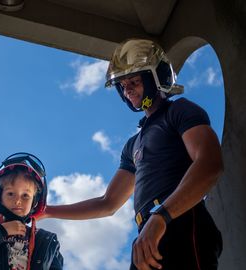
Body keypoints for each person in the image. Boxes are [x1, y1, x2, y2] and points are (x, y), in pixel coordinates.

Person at [40, 39, 223, 270]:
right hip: (147, 236)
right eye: (122, 85)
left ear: (158, 78)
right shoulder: (132, 145)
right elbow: (107, 203)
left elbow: (210, 164)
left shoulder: (180, 110)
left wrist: (161, 217)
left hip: (181, 223)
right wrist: (47, 212)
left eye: (134, 81)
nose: (127, 90)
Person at [0, 152, 63, 270]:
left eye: (25, 195)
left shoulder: (46, 241)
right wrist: (2, 230)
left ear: (35, 201)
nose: (18, 201)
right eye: (11, 193)